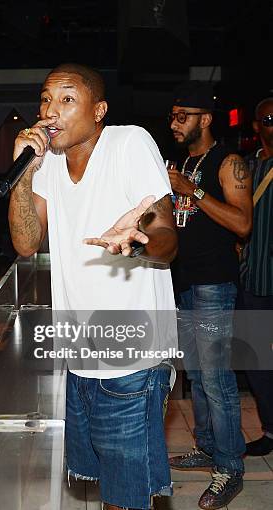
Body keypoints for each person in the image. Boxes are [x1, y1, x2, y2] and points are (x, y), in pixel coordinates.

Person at [8, 63, 177, 510]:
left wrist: (138, 242)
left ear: (98, 109)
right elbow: (26, 243)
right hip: (81, 354)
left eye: (67, 99)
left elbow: (168, 239)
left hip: (132, 357)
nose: (50, 111)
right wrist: (25, 171)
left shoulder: (129, 142)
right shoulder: (48, 164)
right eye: (45, 99)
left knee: (127, 495)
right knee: (108, 488)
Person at [167, 81, 252, 508]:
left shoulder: (228, 161)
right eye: (172, 115)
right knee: (196, 376)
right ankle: (207, 446)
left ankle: (231, 467)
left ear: (206, 118)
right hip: (184, 281)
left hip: (214, 284)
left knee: (217, 380)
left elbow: (242, 225)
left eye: (183, 115)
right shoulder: (183, 160)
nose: (174, 122)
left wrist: (193, 191)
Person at [240, 97, 273, 456]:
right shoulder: (247, 168)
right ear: (256, 126)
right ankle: (270, 429)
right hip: (255, 278)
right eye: (268, 119)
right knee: (258, 362)